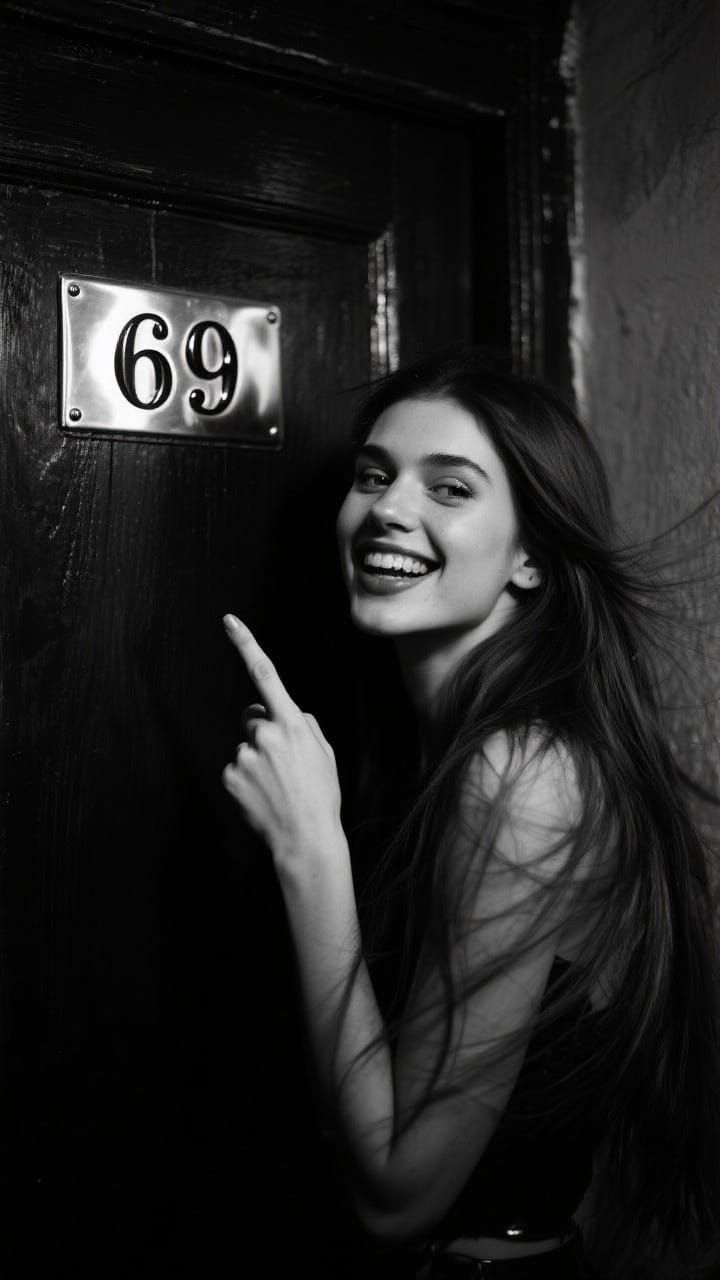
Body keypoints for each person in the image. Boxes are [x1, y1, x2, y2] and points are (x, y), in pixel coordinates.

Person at [220, 349, 720, 1280]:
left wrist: (309, 849)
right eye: (375, 475)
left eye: (449, 488)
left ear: (531, 558)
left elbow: (396, 1197)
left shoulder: (522, 773)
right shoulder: (433, 751)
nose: (388, 510)